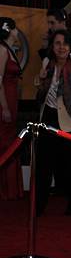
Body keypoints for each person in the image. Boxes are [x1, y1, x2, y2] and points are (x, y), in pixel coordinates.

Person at [35, 30, 71, 215]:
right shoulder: (47, 63)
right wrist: (40, 78)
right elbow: (41, 92)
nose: (61, 47)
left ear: (70, 47)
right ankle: (39, 205)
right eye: (57, 43)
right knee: (43, 166)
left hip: (70, 122)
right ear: (52, 46)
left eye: (65, 44)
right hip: (47, 119)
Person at [0, 17, 23, 201]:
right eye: (15, 29)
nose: (17, 32)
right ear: (9, 30)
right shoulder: (1, 50)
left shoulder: (8, 49)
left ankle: (10, 189)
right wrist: (5, 107)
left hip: (11, 98)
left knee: (9, 139)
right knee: (5, 141)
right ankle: (7, 189)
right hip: (5, 100)